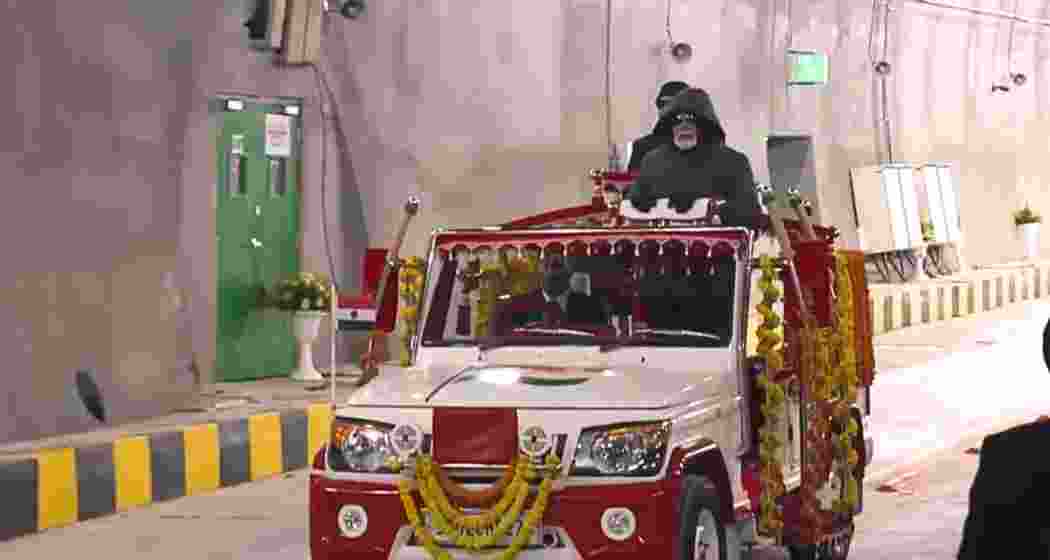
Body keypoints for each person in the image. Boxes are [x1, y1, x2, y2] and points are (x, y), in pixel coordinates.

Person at [626, 87, 764, 230]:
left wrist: (706, 208)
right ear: (669, 124)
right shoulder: (652, 161)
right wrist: (639, 202)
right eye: (678, 119)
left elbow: (750, 212)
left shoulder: (733, 162)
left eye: (691, 119)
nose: (684, 125)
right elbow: (632, 204)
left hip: (715, 247)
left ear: (705, 124)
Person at [627, 81, 691, 171]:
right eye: (663, 104)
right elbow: (633, 182)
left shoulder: (707, 147)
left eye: (674, 104)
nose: (668, 109)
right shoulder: (643, 146)